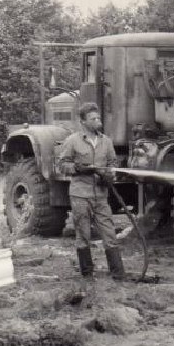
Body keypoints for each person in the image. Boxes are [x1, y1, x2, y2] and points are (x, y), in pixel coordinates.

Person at [58, 102, 126, 281]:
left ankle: (118, 275)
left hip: (101, 196)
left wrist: (109, 175)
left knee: (109, 233)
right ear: (83, 122)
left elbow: (112, 163)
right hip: (80, 195)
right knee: (83, 234)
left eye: (98, 118)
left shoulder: (106, 141)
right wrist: (78, 168)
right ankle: (87, 275)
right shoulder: (73, 141)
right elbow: (62, 165)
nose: (98, 121)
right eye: (93, 118)